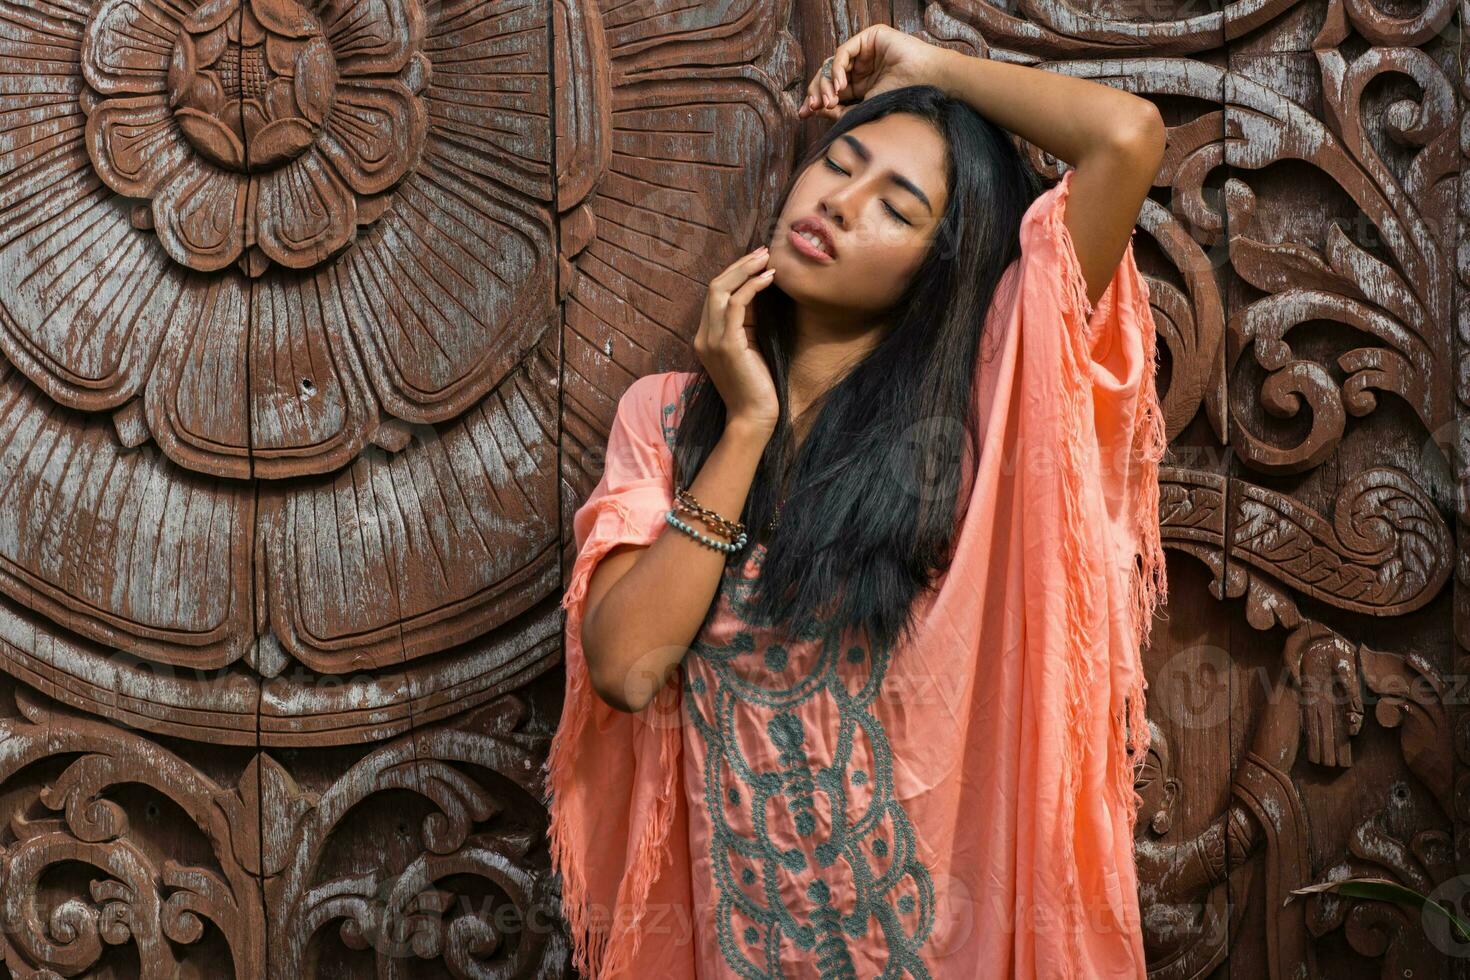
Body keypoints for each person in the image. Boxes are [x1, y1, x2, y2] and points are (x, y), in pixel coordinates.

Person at [546, 23, 1169, 979]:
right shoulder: (668, 425)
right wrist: (748, 423)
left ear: (937, 265)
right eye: (839, 164)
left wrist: (930, 69)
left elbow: (1125, 138)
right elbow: (627, 669)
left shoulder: (983, 425)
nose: (840, 202)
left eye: (896, 206)